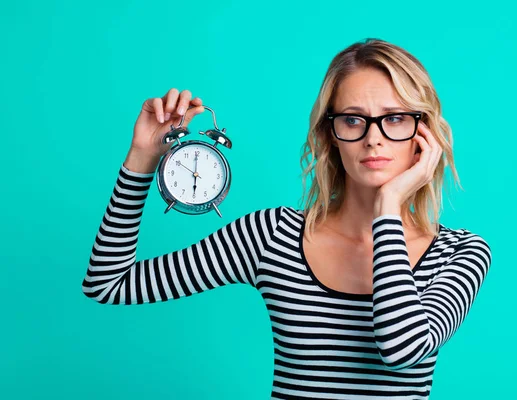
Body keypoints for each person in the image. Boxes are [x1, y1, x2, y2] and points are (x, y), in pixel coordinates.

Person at [82, 38, 492, 399]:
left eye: (395, 117)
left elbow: (401, 347)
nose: (373, 137)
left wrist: (388, 206)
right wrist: (141, 159)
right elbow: (108, 283)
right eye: (352, 118)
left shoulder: (460, 253)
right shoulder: (273, 235)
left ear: (425, 133)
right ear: (330, 132)